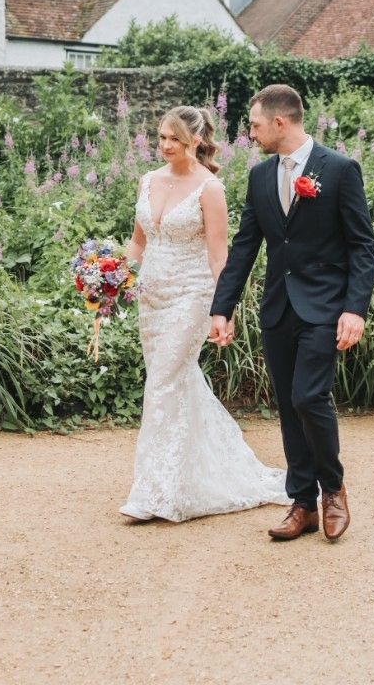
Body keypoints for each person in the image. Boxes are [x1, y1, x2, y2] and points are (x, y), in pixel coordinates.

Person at [210, 85, 374, 541]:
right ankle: (301, 503)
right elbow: (245, 247)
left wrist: (354, 309)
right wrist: (222, 307)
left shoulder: (339, 170)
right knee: (288, 406)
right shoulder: (261, 177)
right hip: (278, 309)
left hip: (324, 307)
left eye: (255, 124)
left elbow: (363, 246)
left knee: (309, 397)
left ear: (280, 122)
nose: (251, 132)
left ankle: (334, 491)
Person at [120, 105, 289, 522]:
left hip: (191, 297)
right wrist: (111, 276)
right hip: (151, 299)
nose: (164, 146)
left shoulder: (210, 189)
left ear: (195, 140)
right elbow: (138, 244)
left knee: (161, 384)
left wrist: (223, 311)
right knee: (175, 384)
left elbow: (219, 257)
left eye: (173, 139)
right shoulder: (147, 181)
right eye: (160, 137)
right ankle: (202, 473)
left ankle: (154, 493)